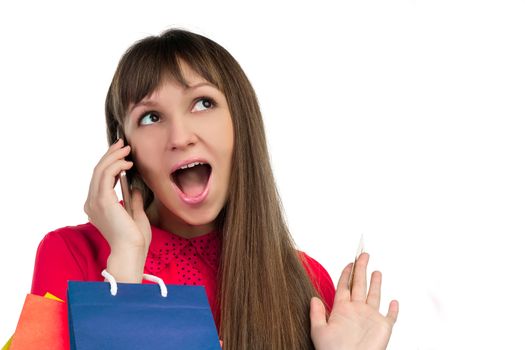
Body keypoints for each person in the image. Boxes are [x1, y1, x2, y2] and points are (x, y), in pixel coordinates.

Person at [30, 28, 398, 349]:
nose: (180, 137)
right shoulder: (69, 254)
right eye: (151, 117)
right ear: (124, 149)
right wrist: (126, 265)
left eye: (203, 103)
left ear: (241, 122)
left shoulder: (305, 280)